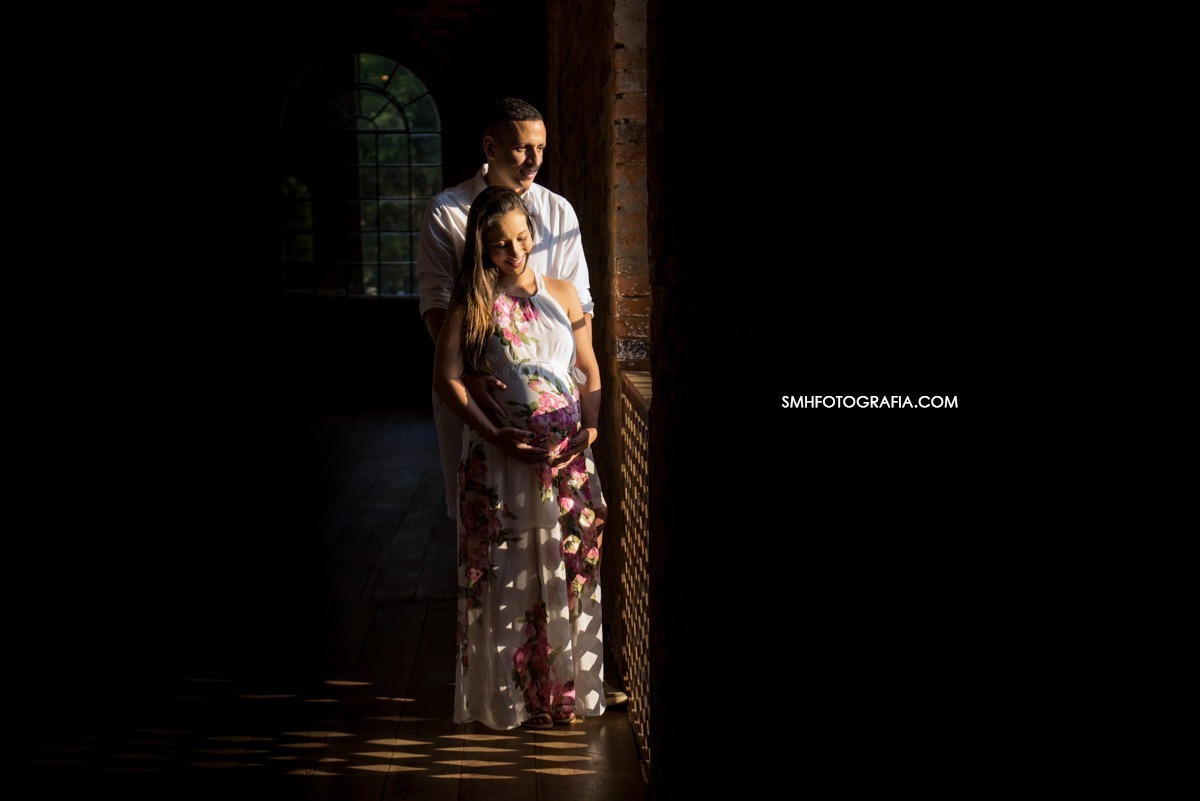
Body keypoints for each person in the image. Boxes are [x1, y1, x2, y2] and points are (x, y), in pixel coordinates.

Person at [417, 97, 627, 709]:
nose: (533, 157)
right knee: (503, 552)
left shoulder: (557, 211)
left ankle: (567, 680)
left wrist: (584, 418)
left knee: (567, 549)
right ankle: (507, 685)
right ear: (490, 147)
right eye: (519, 147)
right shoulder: (448, 212)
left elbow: (572, 315)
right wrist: (480, 373)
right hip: (493, 419)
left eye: (540, 145)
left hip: (561, 433)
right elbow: (438, 302)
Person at [434, 185, 604, 729]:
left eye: (522, 238)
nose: (514, 251)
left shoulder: (565, 294)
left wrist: (593, 426)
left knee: (568, 566)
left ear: (534, 233)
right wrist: (498, 435)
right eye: (500, 244)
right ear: (482, 248)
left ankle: (563, 691)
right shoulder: (473, 303)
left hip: (565, 461)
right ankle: (510, 696)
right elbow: (447, 380)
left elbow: (590, 370)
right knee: (505, 572)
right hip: (500, 462)